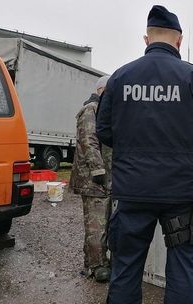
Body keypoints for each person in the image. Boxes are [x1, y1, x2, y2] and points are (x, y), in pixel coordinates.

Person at [96, 5, 193, 304]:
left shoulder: (120, 77)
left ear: (147, 40)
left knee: (126, 266)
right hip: (181, 190)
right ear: (179, 40)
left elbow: (104, 131)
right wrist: (190, 144)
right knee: (183, 266)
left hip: (132, 190)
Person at [69, 75, 112, 283]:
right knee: (96, 225)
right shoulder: (90, 110)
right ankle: (96, 266)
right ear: (102, 89)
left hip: (102, 178)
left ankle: (94, 262)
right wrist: (99, 171)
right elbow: (88, 141)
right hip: (93, 180)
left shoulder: (102, 110)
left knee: (102, 223)